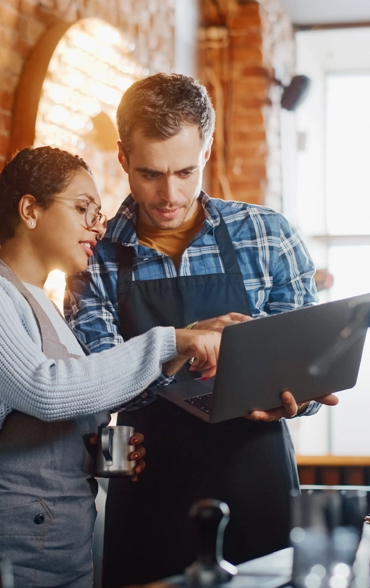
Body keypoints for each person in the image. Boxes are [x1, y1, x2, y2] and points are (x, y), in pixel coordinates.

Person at [65, 73, 339, 587]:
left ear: (208, 149)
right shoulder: (93, 256)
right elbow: (93, 382)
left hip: (257, 482)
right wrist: (184, 342)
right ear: (123, 158)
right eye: (149, 174)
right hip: (149, 490)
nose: (170, 193)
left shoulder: (268, 236)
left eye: (185, 171)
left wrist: (299, 395)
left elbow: (304, 372)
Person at [0, 146, 222, 587]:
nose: (97, 225)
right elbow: (45, 390)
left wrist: (90, 454)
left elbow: (56, 410)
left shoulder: (55, 312)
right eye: (83, 209)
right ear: (30, 210)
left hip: (64, 549)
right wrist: (170, 341)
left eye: (98, 212)